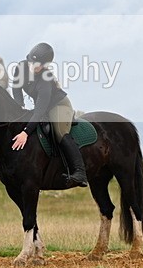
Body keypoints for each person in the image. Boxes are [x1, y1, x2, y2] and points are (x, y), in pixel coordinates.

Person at [10, 43, 88, 188]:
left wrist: (26, 133)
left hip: (58, 105)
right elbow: (16, 88)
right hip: (41, 106)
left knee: (59, 132)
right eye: (32, 63)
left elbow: (39, 111)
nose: (34, 67)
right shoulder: (20, 67)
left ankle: (79, 172)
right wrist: (19, 106)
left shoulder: (45, 79)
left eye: (38, 65)